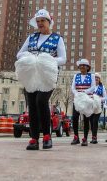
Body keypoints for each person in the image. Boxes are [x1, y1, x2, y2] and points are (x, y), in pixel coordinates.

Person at [17, 9, 66, 150]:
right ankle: (33, 138)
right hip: (31, 74)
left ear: (49, 22)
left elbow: (63, 59)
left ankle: (46, 136)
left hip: (47, 74)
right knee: (32, 105)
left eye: (42, 21)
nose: (40, 24)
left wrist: (46, 61)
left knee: (41, 101)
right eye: (38, 22)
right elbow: (19, 53)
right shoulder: (31, 37)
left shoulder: (57, 38)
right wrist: (30, 58)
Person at [70, 58, 96, 146]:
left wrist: (84, 92)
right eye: (80, 65)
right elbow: (73, 87)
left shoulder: (91, 76)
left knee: (86, 119)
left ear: (87, 67)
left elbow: (93, 87)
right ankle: (76, 137)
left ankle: (85, 138)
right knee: (75, 117)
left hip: (87, 99)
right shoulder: (76, 76)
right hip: (77, 99)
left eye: (84, 65)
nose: (82, 67)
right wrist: (77, 94)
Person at [90, 73, 105, 144]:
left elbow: (105, 97)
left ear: (99, 79)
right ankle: (93, 137)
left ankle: (94, 138)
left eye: (98, 78)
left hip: (98, 106)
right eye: (95, 77)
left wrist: (98, 99)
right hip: (91, 106)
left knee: (95, 121)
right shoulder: (90, 86)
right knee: (91, 121)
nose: (96, 79)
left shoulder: (102, 87)